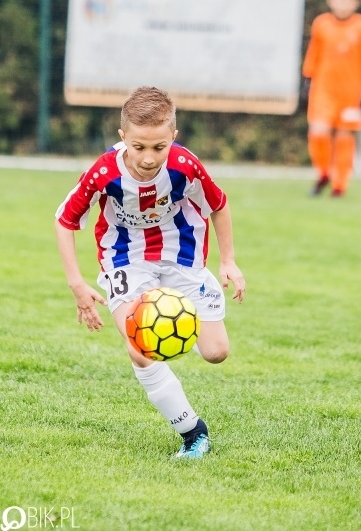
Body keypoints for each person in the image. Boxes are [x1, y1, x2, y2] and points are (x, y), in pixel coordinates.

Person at [54, 87, 245, 459]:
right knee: (140, 347)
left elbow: (219, 205)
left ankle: (180, 319)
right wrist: (76, 283)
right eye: (138, 147)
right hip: (125, 258)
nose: (148, 157)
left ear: (173, 136)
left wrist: (228, 261)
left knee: (216, 352)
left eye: (159, 147)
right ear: (123, 137)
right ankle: (194, 433)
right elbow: (65, 220)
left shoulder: (185, 165)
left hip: (181, 253)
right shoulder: (104, 171)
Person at [301, 0, 361, 198]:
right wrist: (307, 81)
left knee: (344, 137)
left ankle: (339, 185)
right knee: (318, 131)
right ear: (330, 2)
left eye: (348, 0)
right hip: (323, 89)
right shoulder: (321, 24)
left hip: (352, 92)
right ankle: (323, 173)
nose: (343, 4)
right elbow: (313, 54)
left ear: (356, 3)